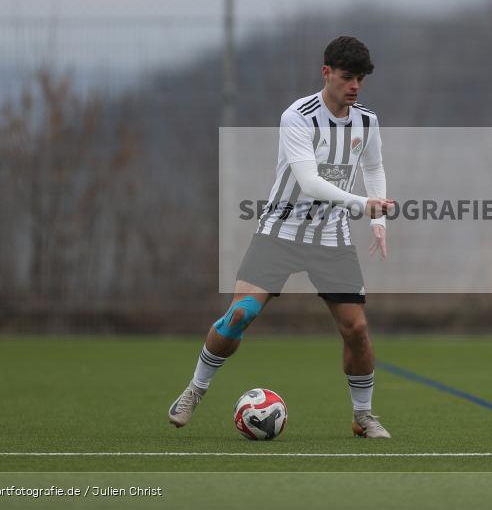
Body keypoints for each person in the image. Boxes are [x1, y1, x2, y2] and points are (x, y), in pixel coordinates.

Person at [169, 36, 395, 438]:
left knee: (356, 330)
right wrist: (363, 206)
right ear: (326, 72)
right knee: (240, 315)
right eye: (347, 77)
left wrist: (378, 223)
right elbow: (308, 182)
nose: (355, 85)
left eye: (360, 78)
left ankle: (363, 415)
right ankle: (194, 390)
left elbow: (374, 167)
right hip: (281, 229)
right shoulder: (298, 116)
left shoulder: (367, 121)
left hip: (331, 236)